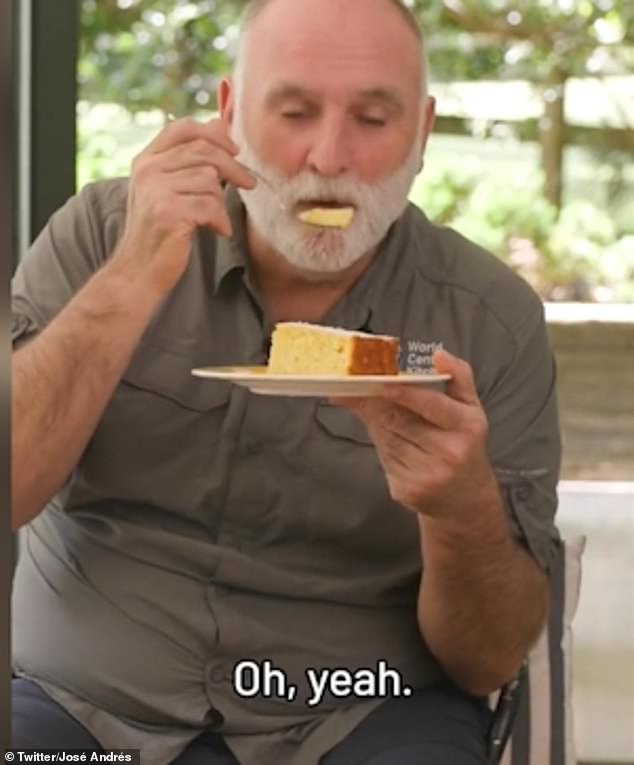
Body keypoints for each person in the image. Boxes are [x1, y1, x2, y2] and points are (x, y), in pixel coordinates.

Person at [10, 0, 562, 762]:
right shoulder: (104, 233)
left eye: (373, 119)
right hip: (77, 706)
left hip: (361, 716)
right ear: (229, 112)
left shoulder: (491, 321)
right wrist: (132, 278)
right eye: (294, 111)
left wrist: (462, 510)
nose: (328, 157)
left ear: (424, 133)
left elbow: (490, 659)